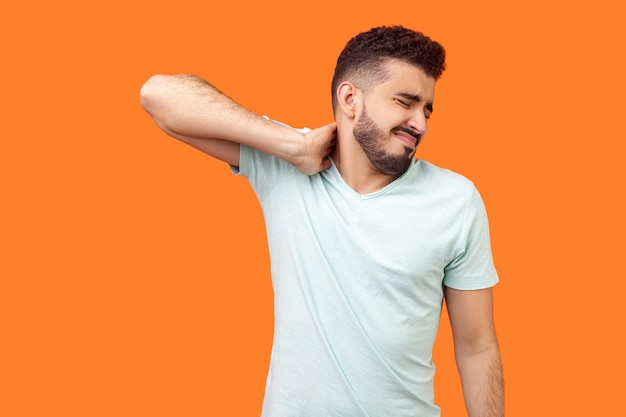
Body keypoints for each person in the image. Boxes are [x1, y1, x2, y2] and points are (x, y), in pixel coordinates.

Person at [140, 26, 504, 417]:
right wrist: (293, 147)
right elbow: (158, 96)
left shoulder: (455, 199)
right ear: (350, 98)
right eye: (405, 102)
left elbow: (477, 347)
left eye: (427, 109)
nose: (421, 123)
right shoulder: (284, 165)